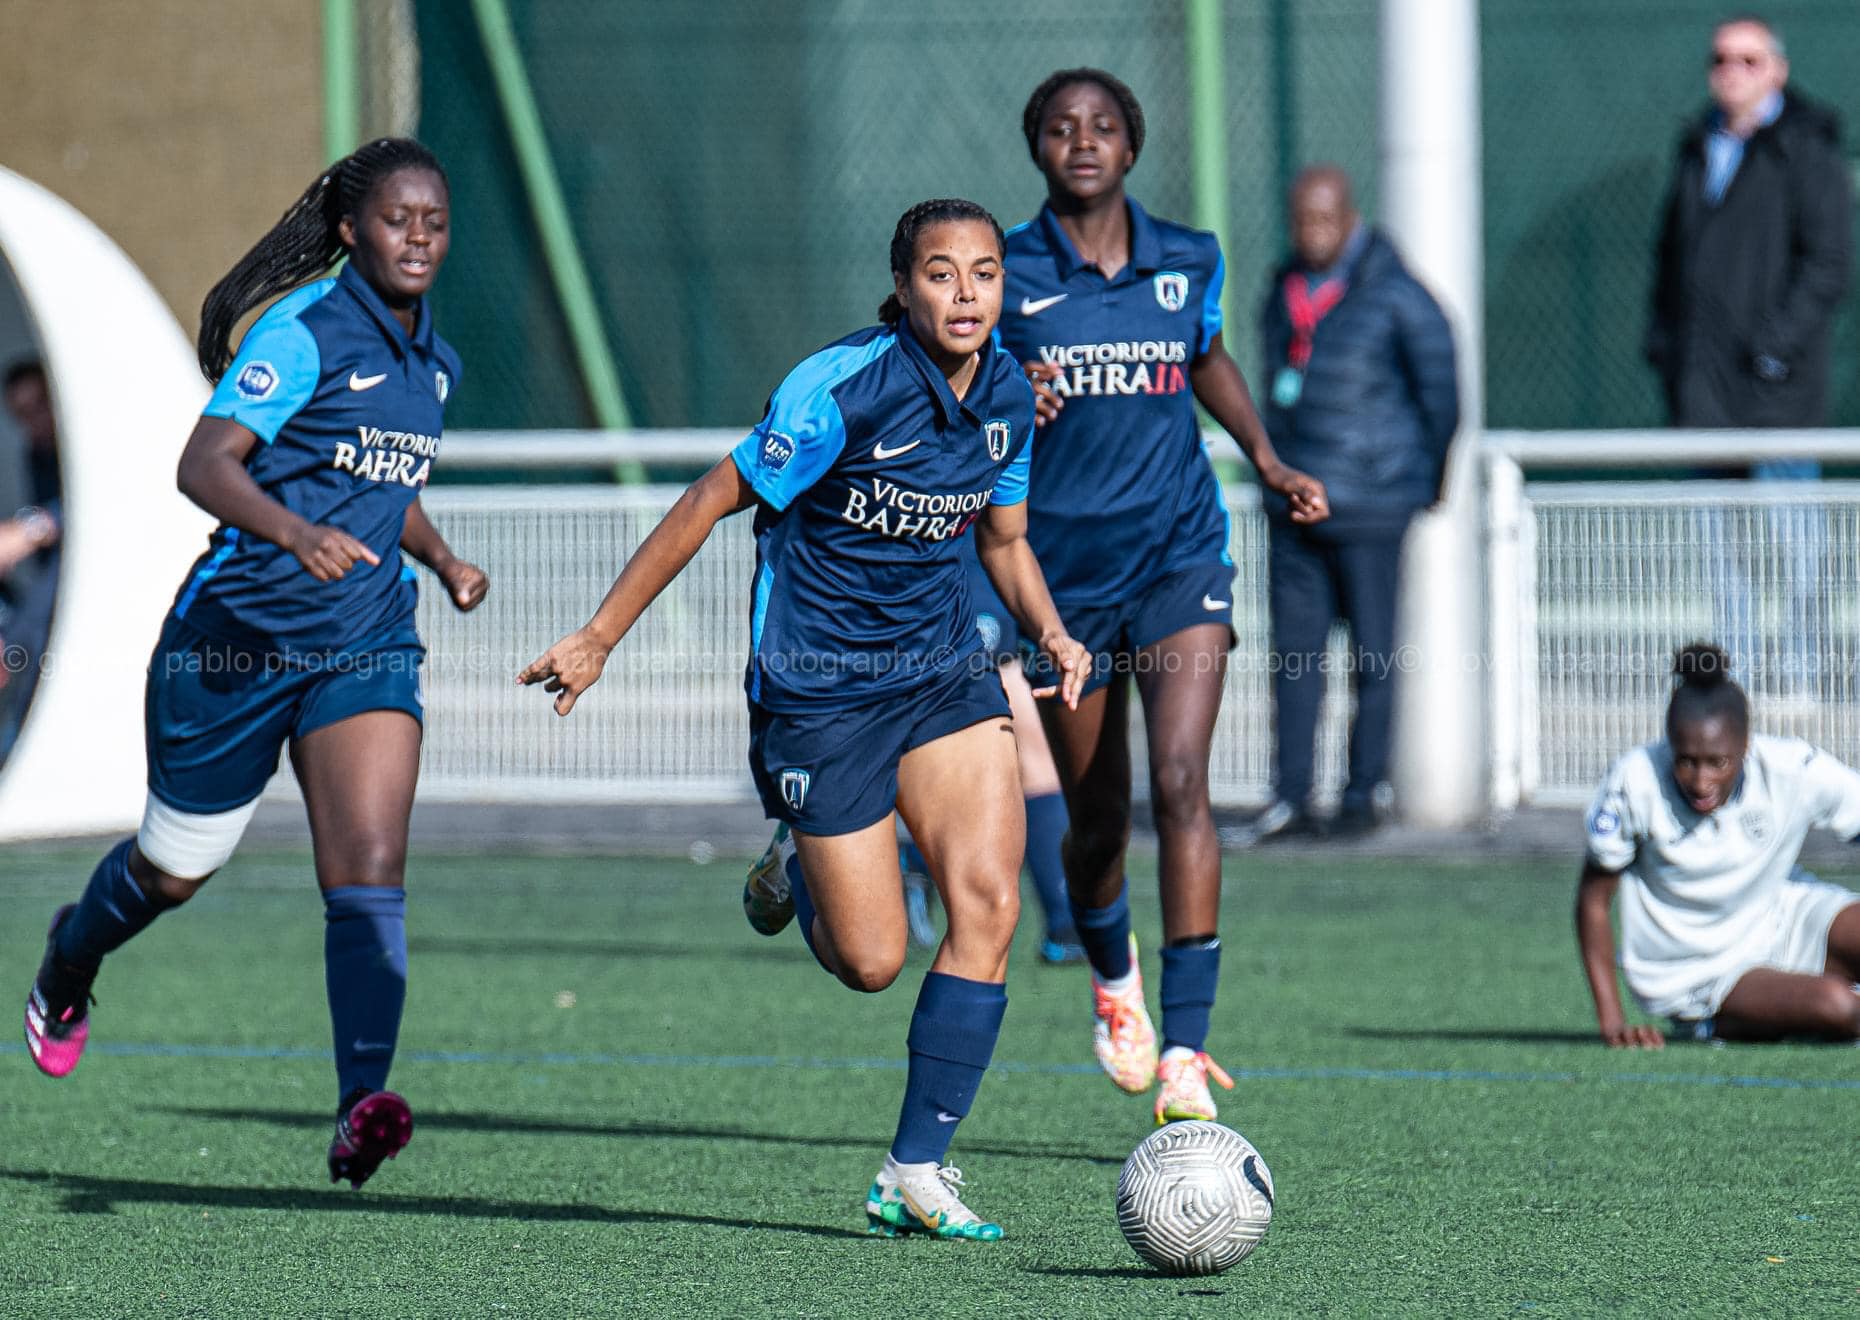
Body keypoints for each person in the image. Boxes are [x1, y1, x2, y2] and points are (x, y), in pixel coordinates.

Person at [520, 199, 1088, 1240]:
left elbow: (1003, 541)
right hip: (818, 689)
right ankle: (796, 857)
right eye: (940, 273)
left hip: (943, 673)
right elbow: (707, 499)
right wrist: (601, 635)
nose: (965, 293)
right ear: (904, 286)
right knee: (871, 962)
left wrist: (1050, 631)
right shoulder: (840, 388)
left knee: (989, 906)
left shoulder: (1010, 392)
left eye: (984, 273)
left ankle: (914, 1169)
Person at [21, 139, 489, 1192]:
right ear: (348, 231)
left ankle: (361, 1102)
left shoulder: (436, 361)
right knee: (172, 872)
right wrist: (290, 533)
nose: (418, 238)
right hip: (232, 645)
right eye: (396, 220)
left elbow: (382, 481)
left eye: (435, 221)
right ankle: (70, 961)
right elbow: (204, 463)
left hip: (363, 643)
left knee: (368, 870)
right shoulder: (306, 330)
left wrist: (444, 556)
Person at [999, 68, 1327, 1126]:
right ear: (1038, 148)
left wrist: (1268, 461)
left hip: (1180, 554)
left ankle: (1187, 1050)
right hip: (1062, 582)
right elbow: (957, 378)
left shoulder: (1188, 258)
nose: (1081, 142)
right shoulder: (1004, 270)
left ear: (1131, 147)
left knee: (1185, 781)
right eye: (1060, 128)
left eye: (1102, 127)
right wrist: (1012, 387)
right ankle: (1114, 984)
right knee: (1098, 823)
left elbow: (1209, 359)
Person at [1243, 165, 1458, 842]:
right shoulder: (1281, 288)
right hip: (1295, 505)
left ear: (1350, 215)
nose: (1311, 234)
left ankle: (1364, 794)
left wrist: (1419, 485)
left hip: (1370, 503)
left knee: (1374, 655)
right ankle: (1292, 797)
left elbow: (1443, 399)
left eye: (1323, 221)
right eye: (1300, 221)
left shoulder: (1399, 295)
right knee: (1297, 658)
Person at [1646, 15, 1852, 693]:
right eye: (1721, 59)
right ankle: (1734, 682)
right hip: (1703, 390)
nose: (1732, 71)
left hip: (1777, 394)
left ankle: (1800, 677)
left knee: (1796, 543)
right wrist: (1667, 348)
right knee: (1719, 548)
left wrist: (1772, 349)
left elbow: (1828, 265)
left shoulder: (1804, 149)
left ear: (1777, 71)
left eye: (1748, 59)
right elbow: (1672, 258)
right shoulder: (1697, 146)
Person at [1577, 643, 1860, 1047]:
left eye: (1717, 762)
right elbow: (1592, 901)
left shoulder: (1790, 769)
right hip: (1699, 969)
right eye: (1686, 760)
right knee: (1841, 1009)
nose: (1700, 780)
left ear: (1746, 746)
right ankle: (1710, 1022)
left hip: (1784, 920)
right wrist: (1612, 1021)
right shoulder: (1634, 782)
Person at [899, 538, 1085, 964]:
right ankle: (818, 841)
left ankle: (1064, 920)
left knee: (1027, 745)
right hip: (936, 564)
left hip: (993, 559)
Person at [0, 358, 63, 753]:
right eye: (22, 414)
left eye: (40, 406)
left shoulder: (94, 445)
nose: (34, 423)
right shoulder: (37, 453)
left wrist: (29, 530)